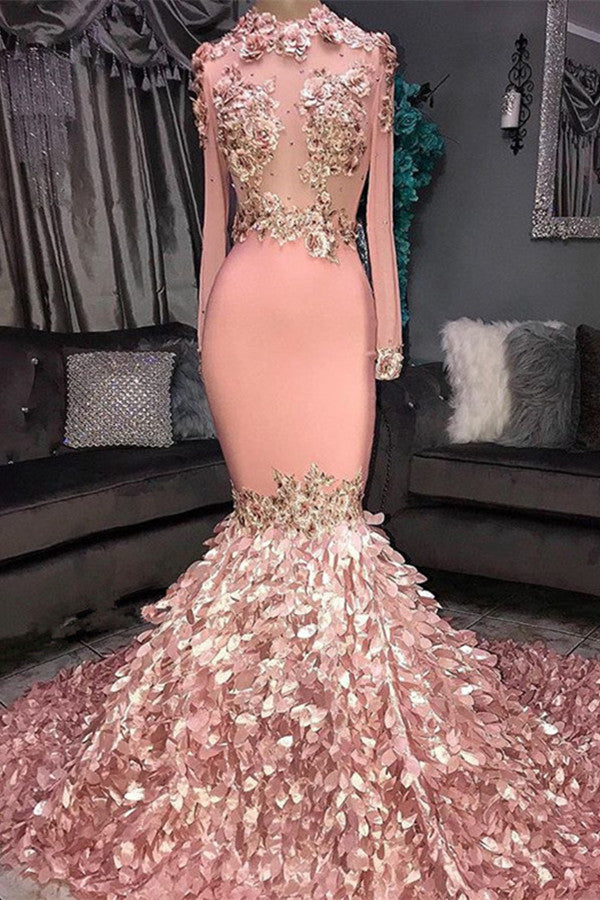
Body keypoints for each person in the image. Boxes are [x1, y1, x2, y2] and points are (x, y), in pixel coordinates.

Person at [2, 2, 600, 897]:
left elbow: (374, 222)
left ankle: (343, 730)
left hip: (333, 314)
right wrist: (207, 332)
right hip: (242, 318)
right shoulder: (213, 64)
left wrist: (388, 338)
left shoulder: (368, 57)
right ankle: (244, 733)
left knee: (335, 531)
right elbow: (215, 221)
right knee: (258, 528)